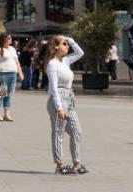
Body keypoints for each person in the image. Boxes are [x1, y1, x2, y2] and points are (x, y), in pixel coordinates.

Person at [44, 34, 86, 174]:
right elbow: (54, 88)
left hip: (69, 98)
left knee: (77, 131)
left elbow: (80, 52)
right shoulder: (52, 64)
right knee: (58, 132)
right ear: (56, 47)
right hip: (58, 100)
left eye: (67, 44)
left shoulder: (66, 61)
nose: (67, 46)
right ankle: (60, 165)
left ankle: (77, 163)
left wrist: (69, 39)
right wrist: (59, 107)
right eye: (64, 44)